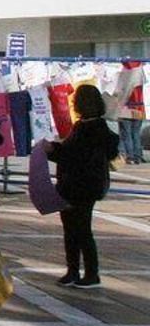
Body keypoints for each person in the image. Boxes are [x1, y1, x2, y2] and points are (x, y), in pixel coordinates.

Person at [47, 83, 119, 289]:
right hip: (82, 185)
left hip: (80, 186)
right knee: (72, 229)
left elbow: (72, 156)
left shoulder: (89, 129)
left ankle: (89, 273)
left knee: (80, 229)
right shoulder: (93, 127)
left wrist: (51, 150)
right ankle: (74, 271)